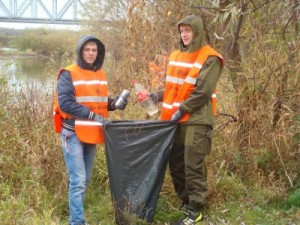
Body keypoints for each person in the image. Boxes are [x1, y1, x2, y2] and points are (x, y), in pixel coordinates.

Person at [149, 15, 224, 224]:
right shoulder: (176, 56)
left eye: (188, 30)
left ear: (197, 31)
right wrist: (155, 96)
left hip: (197, 119)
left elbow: (203, 91)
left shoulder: (210, 57)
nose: (184, 34)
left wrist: (182, 110)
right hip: (176, 120)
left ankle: (196, 210)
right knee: (176, 164)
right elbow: (175, 88)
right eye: (182, 30)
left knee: (193, 165)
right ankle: (186, 202)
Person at [53, 35, 127, 225]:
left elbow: (99, 104)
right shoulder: (68, 74)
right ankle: (77, 222)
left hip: (92, 133)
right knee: (78, 180)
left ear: (99, 52)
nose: (91, 53)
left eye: (94, 50)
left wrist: (115, 103)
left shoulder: (100, 74)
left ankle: (77, 218)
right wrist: (92, 116)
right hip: (73, 133)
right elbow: (66, 104)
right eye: (87, 49)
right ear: (80, 51)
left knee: (84, 180)